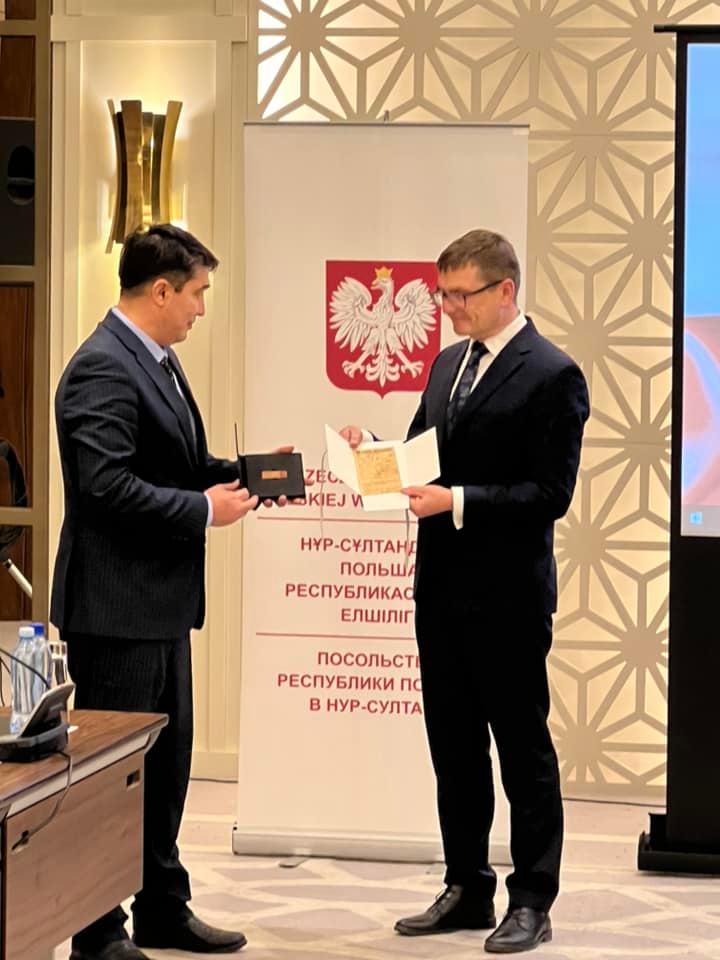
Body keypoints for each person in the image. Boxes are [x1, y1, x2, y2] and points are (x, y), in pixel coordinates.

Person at [341, 229, 589, 954]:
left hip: (509, 598)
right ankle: (466, 885)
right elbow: (423, 458)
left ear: (505, 290)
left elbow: (550, 494)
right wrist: (371, 452)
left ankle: (532, 899)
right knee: (454, 750)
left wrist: (457, 502)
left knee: (521, 751)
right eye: (442, 293)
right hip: (441, 591)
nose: (447, 308)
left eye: (459, 295)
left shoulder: (554, 373)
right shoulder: (449, 363)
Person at [51, 224, 293, 960]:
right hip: (116, 611)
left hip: (161, 607)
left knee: (164, 767)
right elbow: (105, 487)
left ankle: (161, 906)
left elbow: (176, 463)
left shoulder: (155, 359)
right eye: (197, 293)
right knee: (112, 777)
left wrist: (250, 475)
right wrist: (203, 511)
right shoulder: (101, 367)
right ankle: (98, 931)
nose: (201, 309)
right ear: (161, 290)